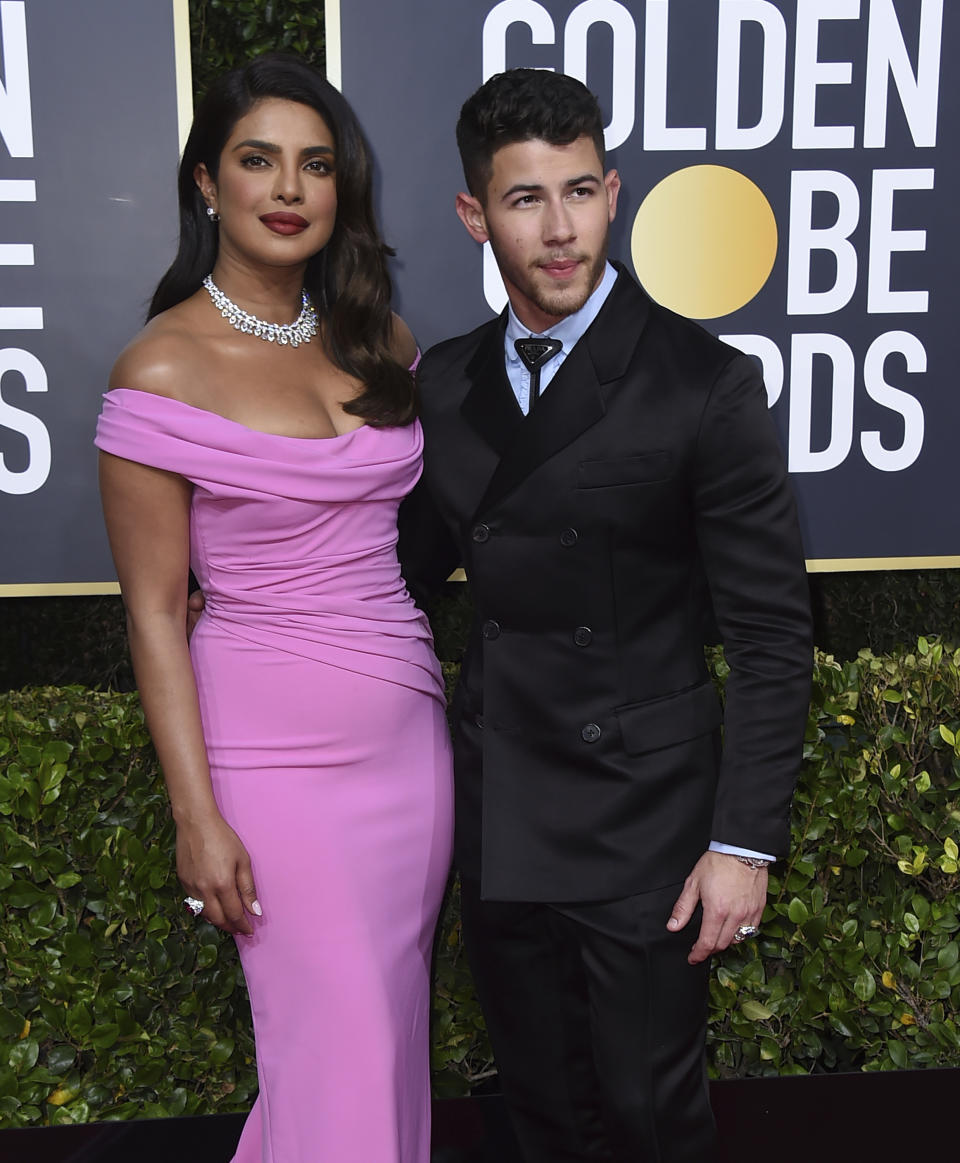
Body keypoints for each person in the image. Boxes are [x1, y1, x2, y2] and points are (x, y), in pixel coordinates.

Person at [402, 69, 813, 1162]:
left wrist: (743, 842)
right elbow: (393, 573)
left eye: (580, 191)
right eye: (526, 199)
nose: (559, 229)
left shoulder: (702, 382)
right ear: (473, 214)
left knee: (647, 1113)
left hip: (646, 822)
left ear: (616, 193)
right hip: (502, 810)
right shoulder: (441, 386)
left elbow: (773, 635)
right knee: (539, 1110)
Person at [95, 54, 452, 1163]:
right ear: (208, 183)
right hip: (271, 763)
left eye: (315, 164)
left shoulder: (379, 339)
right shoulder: (159, 367)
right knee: (334, 1046)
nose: (288, 187)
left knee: (380, 1050)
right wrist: (196, 816)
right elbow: (155, 614)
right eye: (258, 161)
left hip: (408, 746)